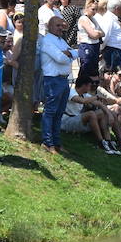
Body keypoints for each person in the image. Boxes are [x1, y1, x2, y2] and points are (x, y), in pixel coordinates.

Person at [39, 15, 76, 154]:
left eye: (62, 25)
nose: (61, 28)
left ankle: (57, 142)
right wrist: (68, 54)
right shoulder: (47, 40)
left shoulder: (61, 40)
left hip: (63, 79)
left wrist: (69, 53)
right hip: (52, 79)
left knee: (59, 113)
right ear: (50, 27)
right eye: (58, 25)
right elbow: (60, 58)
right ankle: (47, 142)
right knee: (50, 112)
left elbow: (75, 53)